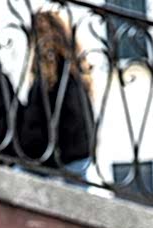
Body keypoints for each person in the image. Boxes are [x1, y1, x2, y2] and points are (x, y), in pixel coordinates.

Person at [17, 11, 96, 180]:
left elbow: (38, 122)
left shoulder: (50, 78)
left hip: (60, 159)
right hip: (79, 154)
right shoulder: (73, 69)